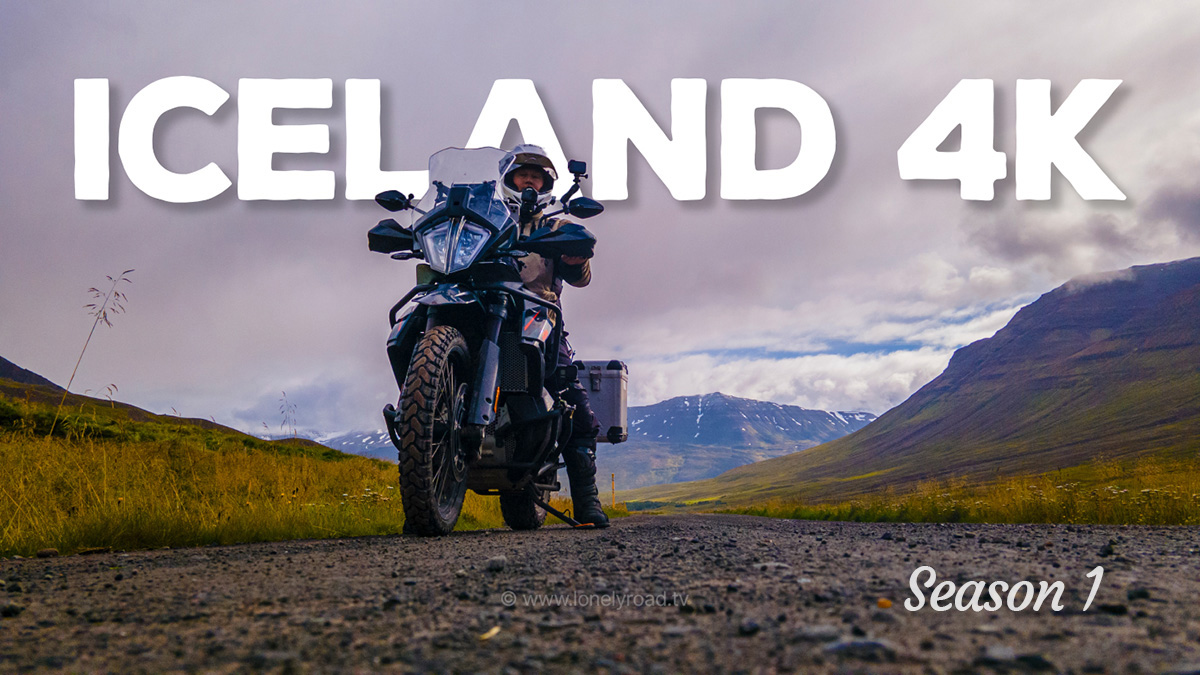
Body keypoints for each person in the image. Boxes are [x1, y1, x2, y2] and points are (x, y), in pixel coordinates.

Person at [499, 144, 609, 528]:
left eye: (537, 176)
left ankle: (587, 504)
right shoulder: (481, 218)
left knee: (574, 402)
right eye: (522, 174)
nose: (529, 180)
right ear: (508, 179)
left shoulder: (555, 224)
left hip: (535, 315)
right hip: (479, 305)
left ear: (546, 184)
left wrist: (575, 259)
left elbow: (581, 278)